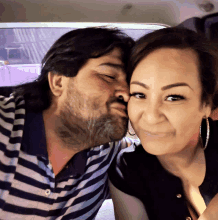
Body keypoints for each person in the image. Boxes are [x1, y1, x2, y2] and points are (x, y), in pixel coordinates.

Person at [0, 27, 134, 219]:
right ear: (58, 82)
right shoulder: (5, 126)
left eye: (133, 84)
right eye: (110, 76)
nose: (127, 93)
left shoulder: (108, 155)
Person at [108, 27, 218, 220]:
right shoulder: (127, 168)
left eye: (174, 97)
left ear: (206, 104)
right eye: (139, 94)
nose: (151, 117)